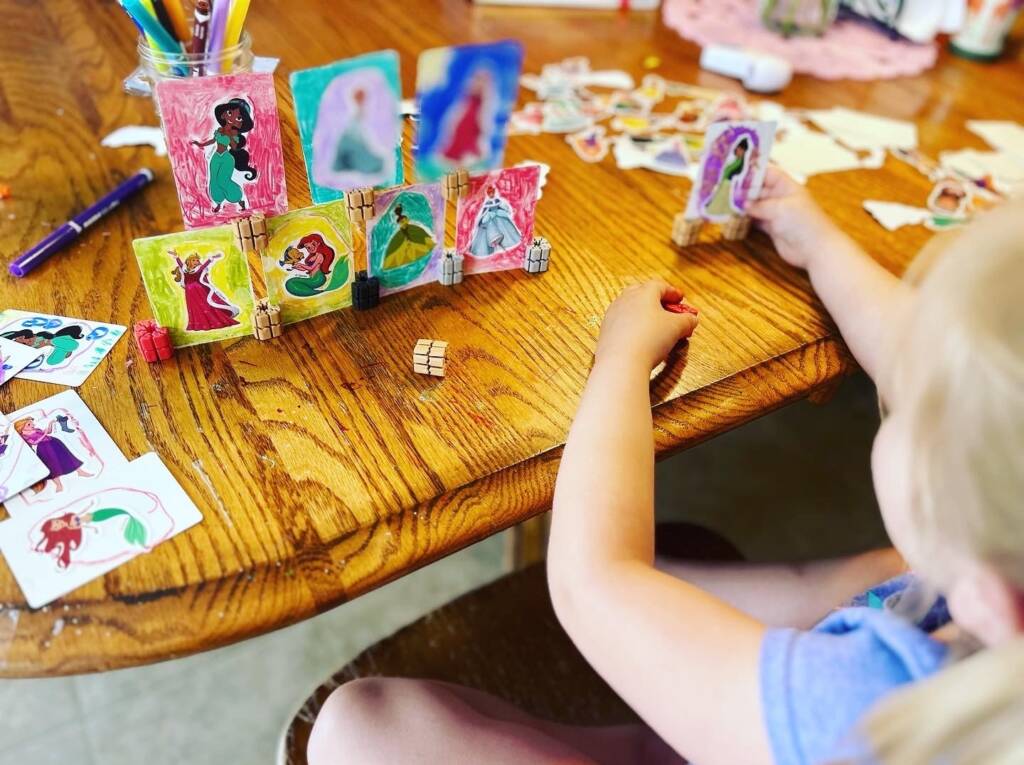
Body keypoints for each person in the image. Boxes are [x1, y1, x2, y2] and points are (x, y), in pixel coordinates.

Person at [306, 168, 1024, 764]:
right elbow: (941, 368)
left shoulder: (855, 707)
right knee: (883, 566)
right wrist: (820, 244)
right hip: (794, 708)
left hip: (778, 726)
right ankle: (669, 622)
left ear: (992, 596)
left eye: (909, 417)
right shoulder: (999, 605)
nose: (902, 387)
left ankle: (659, 658)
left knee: (358, 724)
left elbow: (594, 582)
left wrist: (619, 360)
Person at [191, 97, 258, 214]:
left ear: (241, 122)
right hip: (216, 157)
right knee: (214, 181)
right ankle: (218, 203)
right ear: (224, 114)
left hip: (227, 159)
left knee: (223, 180)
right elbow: (213, 141)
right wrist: (200, 144)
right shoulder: (220, 130)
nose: (232, 118)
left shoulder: (234, 134)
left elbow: (234, 147)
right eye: (230, 113)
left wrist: (232, 137)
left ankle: (239, 200)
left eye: (238, 117)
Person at [13, 416, 93, 494]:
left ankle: (80, 472)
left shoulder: (37, 429)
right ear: (21, 427)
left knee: (67, 457)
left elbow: (48, 432)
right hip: (44, 448)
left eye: (32, 423)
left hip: (54, 443)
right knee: (51, 466)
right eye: (29, 424)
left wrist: (50, 423)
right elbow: (34, 442)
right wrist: (44, 434)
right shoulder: (25, 436)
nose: (32, 425)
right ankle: (58, 485)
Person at [170, 250, 240, 332]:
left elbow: (205, 265)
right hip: (190, 293)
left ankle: (212, 321)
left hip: (199, 291)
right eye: (194, 260)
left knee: (204, 306)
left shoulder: (198, 269)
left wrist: (211, 258)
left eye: (197, 260)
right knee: (194, 308)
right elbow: (180, 264)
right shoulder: (184, 269)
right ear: (189, 261)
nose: (196, 262)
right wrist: (176, 257)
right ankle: (198, 324)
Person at [469, 186, 522, 257]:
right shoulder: (487, 203)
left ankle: (506, 244)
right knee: (489, 230)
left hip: (500, 218)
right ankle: (493, 246)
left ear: (494, 193)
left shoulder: (498, 200)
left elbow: (504, 208)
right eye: (490, 193)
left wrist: (501, 212)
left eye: (492, 193)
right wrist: (488, 215)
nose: (491, 195)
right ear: (488, 194)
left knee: (505, 230)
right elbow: (483, 213)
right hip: (491, 220)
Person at [704, 136, 750, 217]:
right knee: (719, 195)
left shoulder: (739, 162)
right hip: (724, 180)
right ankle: (712, 205)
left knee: (722, 196)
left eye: (741, 150)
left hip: (727, 182)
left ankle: (715, 208)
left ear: (744, 151)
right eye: (738, 149)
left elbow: (733, 171)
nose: (738, 151)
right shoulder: (735, 160)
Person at [382, 205, 436, 270]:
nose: (404, 223)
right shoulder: (398, 236)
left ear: (407, 220)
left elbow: (423, 235)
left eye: (405, 220)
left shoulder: (414, 229)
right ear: (399, 223)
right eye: (401, 222)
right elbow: (393, 248)